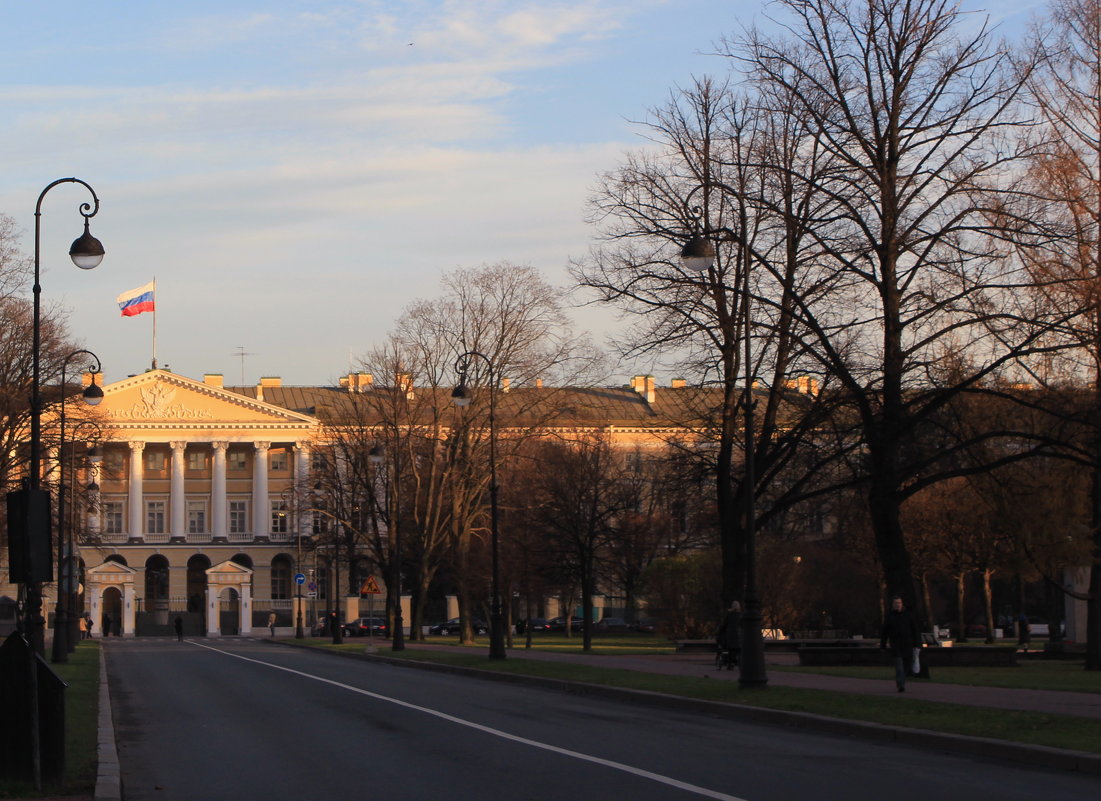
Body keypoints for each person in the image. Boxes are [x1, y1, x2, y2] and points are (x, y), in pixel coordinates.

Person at [880, 596, 919, 692]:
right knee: (899, 665)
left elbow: (914, 630)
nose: (898, 605)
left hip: (907, 644)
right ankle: (901, 685)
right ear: (893, 605)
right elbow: (885, 631)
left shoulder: (908, 615)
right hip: (896, 644)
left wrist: (917, 644)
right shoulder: (889, 616)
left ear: (902, 604)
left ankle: (902, 681)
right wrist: (883, 645)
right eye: (896, 603)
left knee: (906, 665)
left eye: (899, 603)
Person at [716, 601, 742, 669]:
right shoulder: (740, 615)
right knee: (738, 649)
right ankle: (737, 662)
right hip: (738, 637)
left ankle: (730, 663)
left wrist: (720, 631)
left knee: (730, 650)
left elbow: (724, 625)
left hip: (730, 637)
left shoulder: (729, 615)